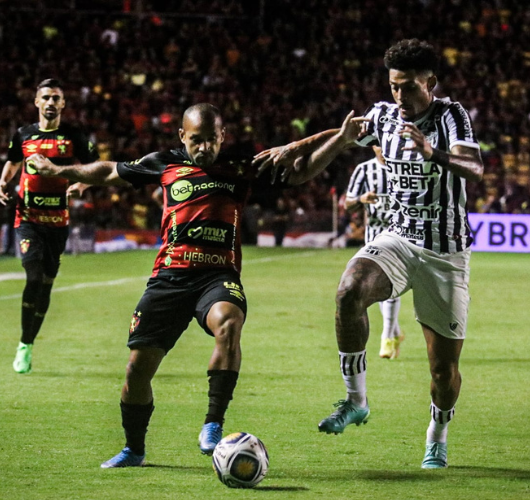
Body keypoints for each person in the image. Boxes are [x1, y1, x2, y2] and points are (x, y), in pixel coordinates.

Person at [28, 103, 339, 468]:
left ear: (222, 136)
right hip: (170, 277)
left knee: (229, 322)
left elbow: (300, 172)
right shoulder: (165, 163)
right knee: (136, 371)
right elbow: (109, 171)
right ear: (182, 136)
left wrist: (343, 139)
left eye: (211, 139)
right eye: (196, 140)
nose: (204, 147)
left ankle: (212, 423)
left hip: (217, 275)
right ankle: (134, 449)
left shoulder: (241, 166)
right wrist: (58, 170)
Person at [263, 39, 484, 468]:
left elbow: (475, 168)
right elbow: (345, 133)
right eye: (394, 86)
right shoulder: (384, 113)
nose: (399, 96)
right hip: (398, 239)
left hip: (445, 252)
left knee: (443, 372)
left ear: (431, 82)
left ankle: (436, 433)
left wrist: (431, 152)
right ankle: (355, 400)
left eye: (408, 87)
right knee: (348, 292)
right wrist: (296, 147)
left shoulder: (451, 116)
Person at [0, 78, 97, 374]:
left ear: (63, 104)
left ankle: (29, 342)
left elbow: (95, 167)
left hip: (58, 223)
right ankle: (24, 345)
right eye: (46, 98)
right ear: (37, 103)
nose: (51, 103)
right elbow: (13, 162)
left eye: (56, 98)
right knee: (34, 273)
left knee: (47, 283)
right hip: (28, 219)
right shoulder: (24, 135)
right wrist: (3, 182)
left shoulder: (74, 136)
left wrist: (81, 185)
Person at [344, 147, 404, 359]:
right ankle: (395, 332)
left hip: (400, 235)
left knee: (391, 285)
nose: (385, 148)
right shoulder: (365, 170)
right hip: (374, 237)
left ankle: (387, 337)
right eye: (379, 144)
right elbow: (347, 203)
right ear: (374, 146)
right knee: (379, 287)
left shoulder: (404, 166)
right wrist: (361, 199)